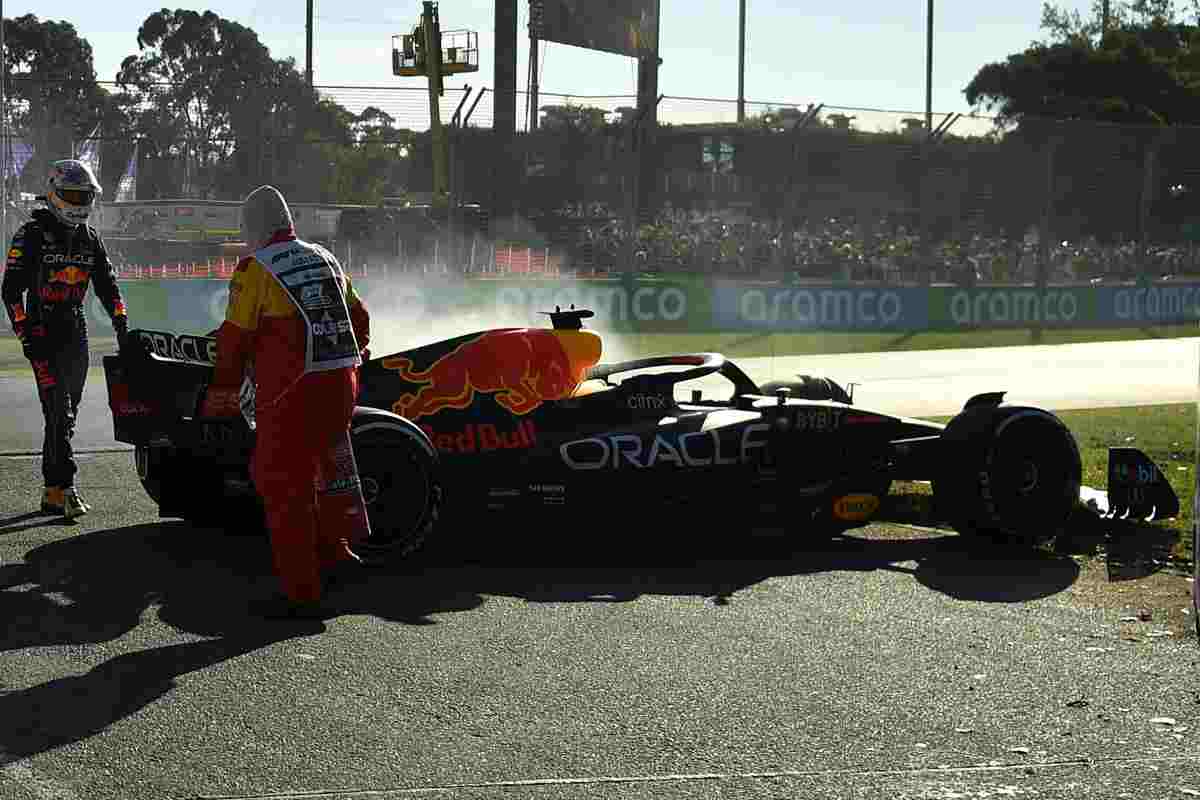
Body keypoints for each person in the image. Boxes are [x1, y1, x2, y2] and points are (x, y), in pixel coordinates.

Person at [201, 185, 372, 619]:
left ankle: (301, 593)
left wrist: (222, 396)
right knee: (327, 466)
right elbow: (361, 319)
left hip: (295, 392)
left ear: (254, 226)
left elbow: (236, 340)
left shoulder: (254, 269)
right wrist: (355, 360)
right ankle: (338, 551)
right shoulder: (325, 257)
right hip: (342, 384)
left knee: (280, 482)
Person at [2, 159, 129, 520]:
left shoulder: (91, 238)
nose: (78, 201)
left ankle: (51, 492)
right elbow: (10, 291)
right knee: (59, 410)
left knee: (64, 418)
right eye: (72, 194)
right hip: (42, 330)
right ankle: (68, 488)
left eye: (84, 195)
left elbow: (108, 285)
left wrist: (121, 321)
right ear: (54, 194)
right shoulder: (31, 234)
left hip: (76, 330)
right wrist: (26, 334)